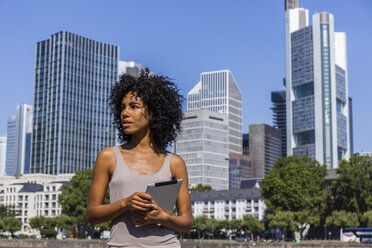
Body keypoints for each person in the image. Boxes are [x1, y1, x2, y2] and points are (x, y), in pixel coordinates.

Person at [86, 69, 193, 248]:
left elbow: (187, 221)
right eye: (122, 107)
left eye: (134, 106)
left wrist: (162, 217)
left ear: (152, 114)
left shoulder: (175, 163)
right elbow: (91, 215)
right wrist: (125, 203)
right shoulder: (108, 157)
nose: (124, 113)